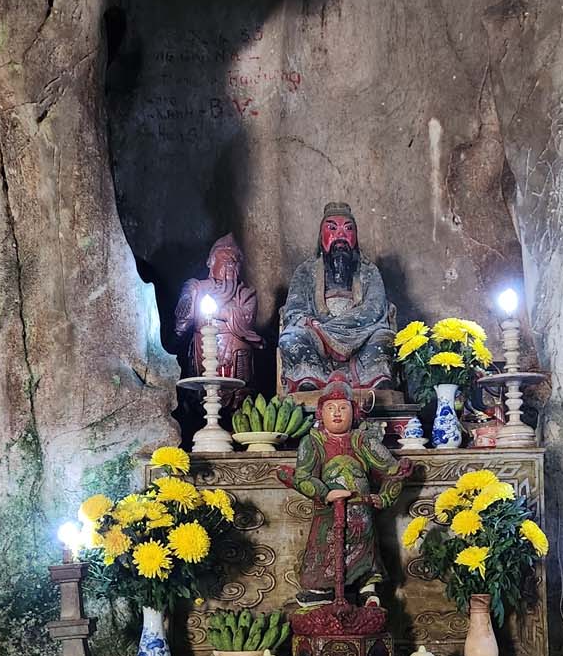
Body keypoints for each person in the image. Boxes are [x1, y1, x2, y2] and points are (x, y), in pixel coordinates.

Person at [279, 374, 413, 606]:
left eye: (343, 407)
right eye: (331, 408)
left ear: (354, 411)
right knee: (324, 547)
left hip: (361, 510)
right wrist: (326, 494)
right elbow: (303, 477)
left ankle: (367, 588)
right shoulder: (312, 442)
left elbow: (393, 470)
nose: (337, 413)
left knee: (365, 550)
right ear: (321, 412)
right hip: (328, 512)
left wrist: (384, 497)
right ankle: (322, 590)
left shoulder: (363, 441)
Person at [278, 202, 394, 391]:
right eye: (332, 228)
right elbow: (294, 310)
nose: (340, 235)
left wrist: (331, 330)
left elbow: (375, 309)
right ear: (321, 236)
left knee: (384, 338)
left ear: (356, 237)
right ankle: (312, 378)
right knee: (290, 338)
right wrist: (315, 326)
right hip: (317, 336)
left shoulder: (369, 270)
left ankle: (372, 378)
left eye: (348, 229)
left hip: (361, 334)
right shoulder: (306, 271)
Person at [174, 234, 261, 385]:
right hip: (202, 348)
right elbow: (182, 324)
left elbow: (247, 320)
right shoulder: (197, 288)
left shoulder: (246, 294)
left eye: (235, 261)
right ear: (211, 262)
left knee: (238, 392)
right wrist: (189, 297)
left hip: (236, 352)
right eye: (226, 259)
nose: (231, 264)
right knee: (203, 389)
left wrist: (221, 313)